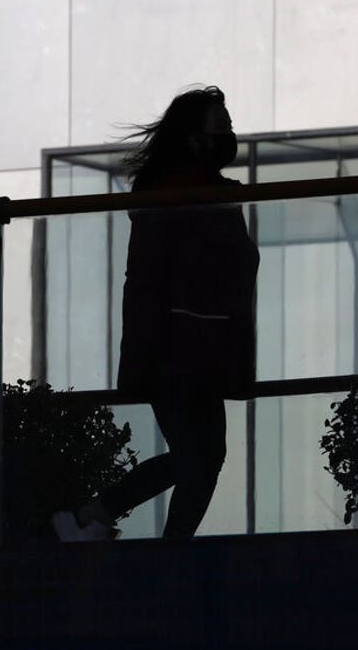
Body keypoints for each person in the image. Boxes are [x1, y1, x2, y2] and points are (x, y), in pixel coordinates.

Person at [53, 86, 260, 541]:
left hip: (204, 347)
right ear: (192, 132)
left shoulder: (207, 192)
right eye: (218, 116)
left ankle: (115, 525)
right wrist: (146, 354)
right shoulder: (173, 193)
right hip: (177, 348)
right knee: (200, 457)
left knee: (205, 457)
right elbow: (152, 279)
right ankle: (112, 523)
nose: (227, 122)